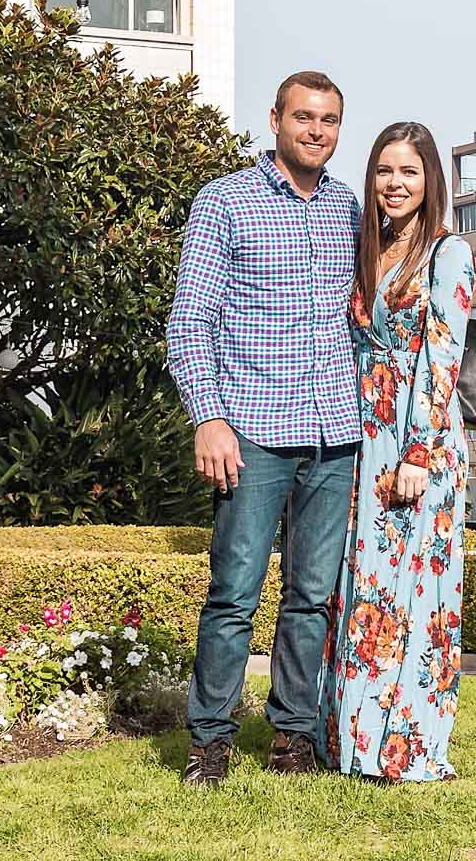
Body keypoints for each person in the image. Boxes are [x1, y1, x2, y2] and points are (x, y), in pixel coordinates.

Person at [166, 72, 362, 788]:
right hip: (250, 429)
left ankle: (291, 737)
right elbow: (190, 322)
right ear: (275, 119)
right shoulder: (225, 202)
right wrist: (208, 418)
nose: (317, 130)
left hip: (334, 434)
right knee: (235, 595)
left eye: (331, 120)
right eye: (304, 117)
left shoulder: (348, 209)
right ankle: (210, 741)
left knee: (312, 596)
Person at [320, 122, 472, 783]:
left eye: (409, 171)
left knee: (414, 599)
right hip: (363, 442)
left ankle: (404, 748)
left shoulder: (447, 253)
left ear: (430, 180)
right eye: (385, 170)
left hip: (420, 446)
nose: (395, 183)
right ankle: (352, 742)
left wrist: (416, 451)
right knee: (361, 594)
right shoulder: (368, 250)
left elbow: (442, 359)